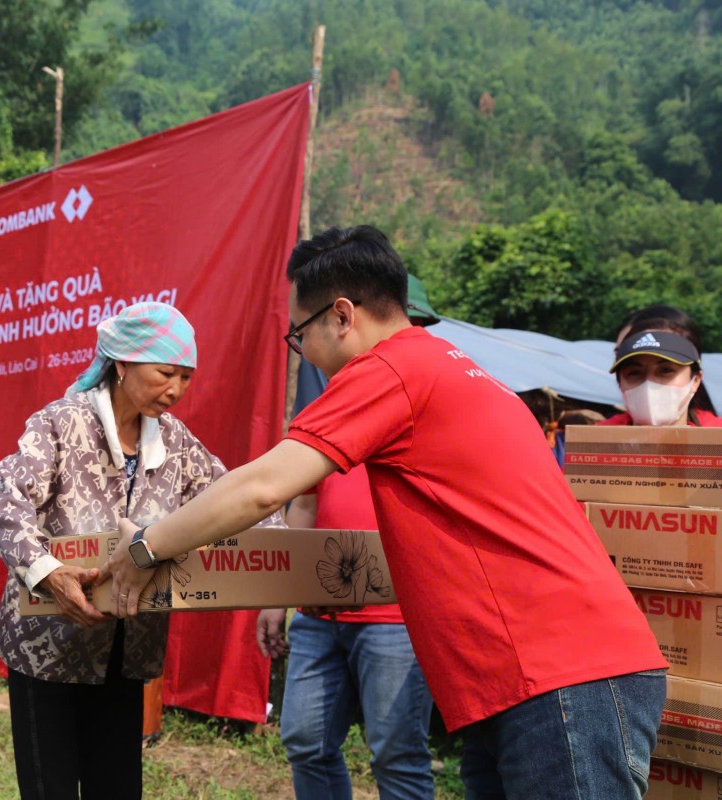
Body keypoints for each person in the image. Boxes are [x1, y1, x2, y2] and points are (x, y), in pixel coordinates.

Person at [102, 227, 667, 800]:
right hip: (531, 675)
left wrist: (147, 545)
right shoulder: (458, 371)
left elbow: (264, 488)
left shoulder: (392, 369)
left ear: (341, 315)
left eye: (300, 335)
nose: (306, 353)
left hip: (559, 677)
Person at [0, 301, 279, 800]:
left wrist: (292, 559)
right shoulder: (61, 423)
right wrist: (48, 571)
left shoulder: (177, 443)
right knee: (48, 788)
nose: (177, 390)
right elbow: (5, 503)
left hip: (126, 646)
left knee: (117, 787)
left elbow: (233, 500)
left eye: (186, 377)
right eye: (166, 373)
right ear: (121, 363)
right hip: (46, 643)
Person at [257, 275, 440, 800]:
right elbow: (303, 500)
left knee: (398, 754)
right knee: (306, 743)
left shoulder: (434, 401)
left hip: (396, 617)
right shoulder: (327, 407)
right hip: (320, 612)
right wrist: (279, 596)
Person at [599, 308, 721, 429]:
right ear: (620, 382)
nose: (649, 384)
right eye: (634, 372)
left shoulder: (716, 438)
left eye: (666, 370)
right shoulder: (595, 442)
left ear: (696, 380)